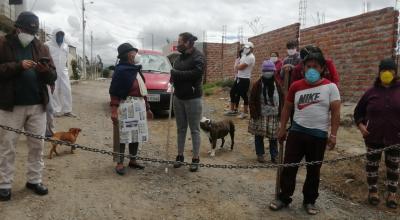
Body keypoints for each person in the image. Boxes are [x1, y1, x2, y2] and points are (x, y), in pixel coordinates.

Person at [269, 52, 341, 215]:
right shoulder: (296, 86)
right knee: (289, 167)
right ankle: (284, 197)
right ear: (303, 68)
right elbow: (287, 108)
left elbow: (336, 113)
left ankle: (309, 201)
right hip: (296, 132)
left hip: (318, 136)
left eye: (315, 66)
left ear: (322, 68)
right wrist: (282, 128)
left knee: (313, 171)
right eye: (308, 66)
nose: (311, 69)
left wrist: (333, 135)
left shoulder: (331, 87)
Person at [0, 11, 57, 201]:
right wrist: (18, 66)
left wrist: (45, 71)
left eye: (33, 31)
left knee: (37, 145)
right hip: (10, 106)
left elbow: (53, 76)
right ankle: (4, 184)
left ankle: (34, 180)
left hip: (37, 105)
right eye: (26, 30)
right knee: (7, 145)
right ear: (18, 28)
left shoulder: (41, 47)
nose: (29, 34)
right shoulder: (3, 43)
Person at [353, 58, 400, 209]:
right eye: (383, 70)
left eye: (390, 70)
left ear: (395, 72)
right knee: (372, 165)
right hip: (373, 137)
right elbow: (358, 112)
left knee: (393, 166)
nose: (387, 73)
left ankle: (392, 193)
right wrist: (361, 126)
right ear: (379, 73)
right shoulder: (370, 92)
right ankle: (373, 191)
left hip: (396, 138)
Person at [109, 43, 153, 175]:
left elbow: (142, 91)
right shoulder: (121, 71)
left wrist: (148, 108)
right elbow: (114, 91)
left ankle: (133, 160)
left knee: (136, 135)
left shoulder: (135, 69)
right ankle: (120, 162)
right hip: (126, 107)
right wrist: (113, 110)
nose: (137, 55)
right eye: (135, 52)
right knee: (123, 136)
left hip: (138, 108)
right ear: (129, 55)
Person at [171, 32, 205, 172]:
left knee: (195, 129)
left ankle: (196, 158)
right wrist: (172, 78)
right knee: (181, 129)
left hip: (193, 99)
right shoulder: (179, 58)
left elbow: (196, 74)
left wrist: (176, 74)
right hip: (178, 97)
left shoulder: (199, 56)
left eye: (179, 41)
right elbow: (174, 72)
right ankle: (180, 156)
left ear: (187, 43)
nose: (177, 44)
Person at [248, 60, 279, 163]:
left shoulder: (277, 84)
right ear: (262, 71)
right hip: (260, 115)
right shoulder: (257, 84)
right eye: (266, 70)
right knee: (259, 135)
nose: (268, 72)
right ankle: (260, 154)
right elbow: (252, 99)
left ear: (274, 71)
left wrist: (281, 112)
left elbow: (282, 98)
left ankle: (274, 155)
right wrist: (254, 113)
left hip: (273, 115)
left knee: (273, 136)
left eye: (270, 70)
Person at [46, 29, 75, 118]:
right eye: (58, 35)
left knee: (67, 89)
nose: (60, 37)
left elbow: (65, 58)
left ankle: (67, 110)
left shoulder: (65, 46)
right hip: (52, 70)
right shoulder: (47, 45)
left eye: (62, 35)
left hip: (63, 70)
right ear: (54, 35)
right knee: (53, 90)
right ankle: (55, 110)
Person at [225, 42, 256, 119]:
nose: (245, 49)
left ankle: (245, 112)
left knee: (243, 95)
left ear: (252, 49)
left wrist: (236, 66)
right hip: (239, 77)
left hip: (245, 79)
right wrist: (237, 66)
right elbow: (238, 65)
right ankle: (233, 110)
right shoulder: (244, 56)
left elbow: (241, 67)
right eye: (245, 47)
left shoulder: (251, 57)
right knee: (232, 92)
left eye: (247, 48)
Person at [225, 48, 244, 115]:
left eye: (242, 53)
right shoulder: (238, 59)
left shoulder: (244, 60)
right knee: (233, 93)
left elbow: (240, 68)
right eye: (240, 53)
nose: (241, 54)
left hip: (242, 78)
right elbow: (236, 68)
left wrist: (238, 67)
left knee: (237, 94)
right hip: (237, 78)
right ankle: (233, 109)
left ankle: (235, 109)